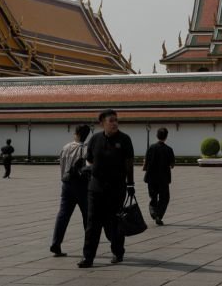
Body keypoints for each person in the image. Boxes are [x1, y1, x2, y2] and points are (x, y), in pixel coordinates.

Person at [78, 109, 135, 268]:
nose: (115, 123)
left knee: (115, 222)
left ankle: (118, 252)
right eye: (111, 120)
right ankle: (88, 257)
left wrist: (131, 184)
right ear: (102, 123)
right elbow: (89, 160)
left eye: (116, 120)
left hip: (117, 188)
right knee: (92, 223)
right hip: (96, 188)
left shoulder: (124, 139)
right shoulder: (95, 139)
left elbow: (129, 163)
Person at [50, 124, 91, 257]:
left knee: (63, 215)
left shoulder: (66, 147)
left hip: (66, 184)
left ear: (76, 133)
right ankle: (89, 245)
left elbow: (61, 164)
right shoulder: (86, 149)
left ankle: (56, 242)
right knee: (87, 216)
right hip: (82, 186)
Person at [142, 127, 175, 226]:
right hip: (163, 178)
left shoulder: (151, 148)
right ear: (166, 137)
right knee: (164, 197)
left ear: (157, 136)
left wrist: (144, 168)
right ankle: (159, 215)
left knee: (153, 197)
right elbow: (172, 165)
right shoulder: (169, 149)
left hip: (151, 177)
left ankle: (153, 211)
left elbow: (146, 162)